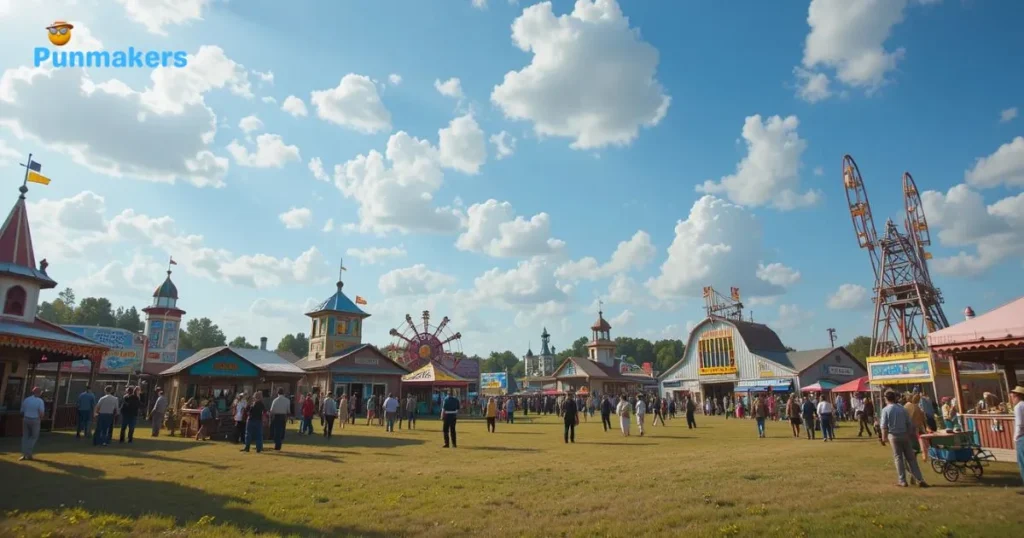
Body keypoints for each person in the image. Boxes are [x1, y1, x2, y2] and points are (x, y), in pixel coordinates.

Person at [880, 390, 929, 487]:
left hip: (893, 435)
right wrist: (908, 434)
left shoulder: (886, 410)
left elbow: (884, 426)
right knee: (911, 459)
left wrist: (884, 437)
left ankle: (902, 480)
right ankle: (920, 479)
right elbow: (909, 424)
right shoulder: (902, 409)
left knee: (898, 458)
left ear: (886, 399)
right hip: (905, 435)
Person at [20, 387, 45, 461]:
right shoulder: (40, 401)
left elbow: (22, 411)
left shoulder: (27, 399)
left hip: (26, 418)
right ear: (39, 393)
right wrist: (41, 418)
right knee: (34, 436)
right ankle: (28, 453)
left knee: (25, 436)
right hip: (35, 419)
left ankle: (24, 454)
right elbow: (41, 412)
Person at [1010, 386, 1024, 488]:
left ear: (1017, 396)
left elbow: (1019, 424)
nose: (1012, 398)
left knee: (1022, 462)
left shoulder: (1018, 406)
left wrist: (1015, 437)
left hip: (1022, 437)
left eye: (1013, 396)